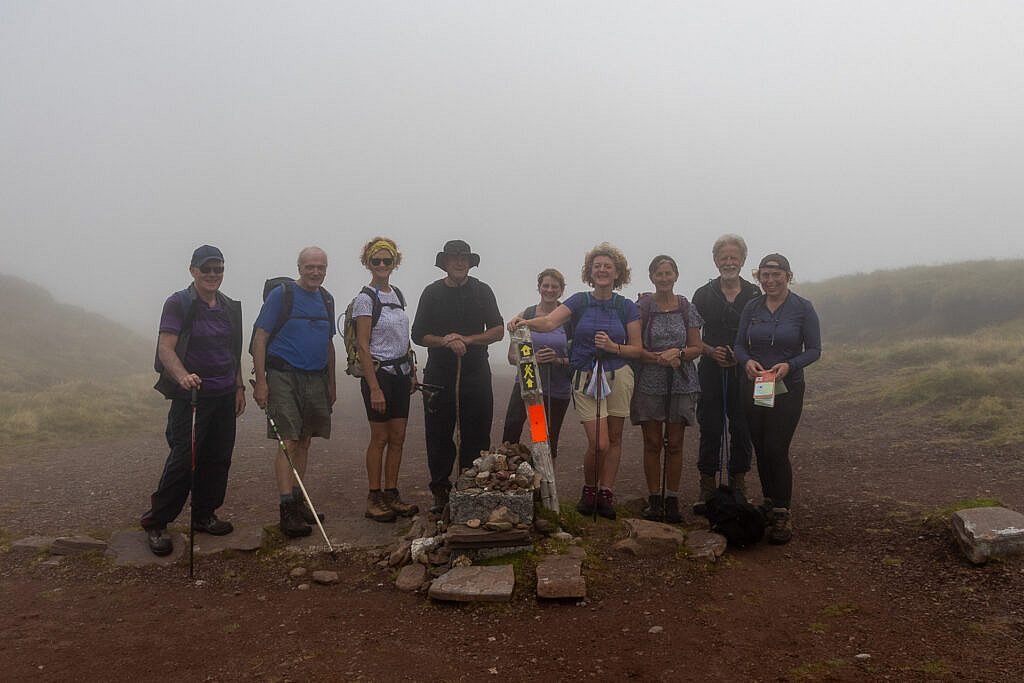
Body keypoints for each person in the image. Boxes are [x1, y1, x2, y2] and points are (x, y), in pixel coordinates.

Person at [507, 242, 641, 520]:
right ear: (590, 272)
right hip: (585, 376)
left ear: (618, 272)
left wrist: (614, 347)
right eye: (597, 266)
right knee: (600, 443)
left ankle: (605, 494)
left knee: (614, 439)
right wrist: (523, 322)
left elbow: (637, 349)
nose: (602, 270)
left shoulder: (626, 306)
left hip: (619, 375)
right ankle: (589, 489)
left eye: (608, 266)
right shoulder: (579, 301)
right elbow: (548, 322)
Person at [141, 245, 245, 556]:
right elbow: (165, 348)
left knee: (218, 457)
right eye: (207, 268)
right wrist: (183, 376)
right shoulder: (179, 303)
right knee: (184, 460)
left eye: (219, 269)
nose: (213, 274)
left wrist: (239, 387)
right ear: (193, 270)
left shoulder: (228, 306)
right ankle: (157, 522)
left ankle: (204, 514)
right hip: (193, 396)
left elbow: (232, 351)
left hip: (225, 394)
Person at [733, 253, 821, 544]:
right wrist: (746, 362)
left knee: (776, 447)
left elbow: (814, 350)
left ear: (788, 275)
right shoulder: (751, 306)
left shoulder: (802, 308)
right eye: (764, 275)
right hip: (758, 385)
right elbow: (739, 345)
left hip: (788, 386)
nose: (770, 281)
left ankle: (782, 512)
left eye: (776, 275)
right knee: (760, 446)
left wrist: (790, 366)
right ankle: (770, 502)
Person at [411, 239, 504, 514]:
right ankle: (440, 491)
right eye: (454, 257)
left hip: (475, 371)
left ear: (470, 262)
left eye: (464, 257)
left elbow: (498, 330)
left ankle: (471, 486)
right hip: (439, 373)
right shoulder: (431, 293)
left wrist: (468, 339)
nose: (460, 262)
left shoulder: (482, 291)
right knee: (439, 434)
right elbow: (418, 334)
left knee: (477, 432)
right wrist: (445, 341)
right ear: (446, 262)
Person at [252, 246, 337, 538]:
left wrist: (331, 383)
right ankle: (286, 509)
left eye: (321, 267)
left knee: (304, 440)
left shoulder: (326, 299)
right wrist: (261, 381)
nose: (316, 272)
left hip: (316, 378)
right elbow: (260, 337)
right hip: (283, 376)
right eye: (310, 266)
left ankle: (300, 503)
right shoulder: (282, 295)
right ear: (299, 267)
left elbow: (328, 344)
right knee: (287, 441)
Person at [691, 234, 761, 514]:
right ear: (715, 260)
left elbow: (760, 332)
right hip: (710, 369)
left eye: (734, 257)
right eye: (724, 257)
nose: (728, 262)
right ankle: (707, 486)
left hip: (745, 370)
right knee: (710, 426)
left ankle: (739, 483)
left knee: (743, 426)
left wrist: (742, 356)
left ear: (743, 261)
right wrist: (711, 352)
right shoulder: (702, 294)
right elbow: (694, 337)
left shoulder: (755, 295)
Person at [631, 255, 704, 523]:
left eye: (668, 273)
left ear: (675, 275)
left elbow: (697, 347)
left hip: (681, 380)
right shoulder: (641, 308)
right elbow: (635, 347)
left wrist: (679, 353)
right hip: (650, 381)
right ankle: (654, 500)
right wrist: (659, 358)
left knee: (675, 443)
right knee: (652, 442)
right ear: (652, 277)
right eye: (658, 274)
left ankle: (672, 500)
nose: (664, 278)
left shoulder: (687, 308)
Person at [352, 237, 419, 523]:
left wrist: (413, 371)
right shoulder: (365, 299)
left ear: (395, 263)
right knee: (379, 437)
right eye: (375, 260)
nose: (381, 265)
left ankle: (392, 493)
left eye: (387, 261)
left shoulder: (398, 295)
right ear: (367, 263)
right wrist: (375, 387)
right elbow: (363, 346)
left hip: (402, 374)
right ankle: (374, 497)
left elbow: (404, 339)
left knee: (398, 437)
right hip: (378, 375)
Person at [501, 268, 573, 459]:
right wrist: (533, 360)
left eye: (554, 287)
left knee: (544, 438)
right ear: (539, 288)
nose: (549, 290)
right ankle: (509, 479)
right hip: (528, 381)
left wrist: (558, 360)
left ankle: (545, 484)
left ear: (561, 290)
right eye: (545, 285)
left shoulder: (568, 318)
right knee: (512, 428)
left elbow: (578, 358)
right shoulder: (527, 314)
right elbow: (511, 357)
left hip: (556, 388)